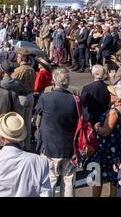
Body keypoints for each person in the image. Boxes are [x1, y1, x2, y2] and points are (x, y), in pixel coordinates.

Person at [35, 67, 78, 197]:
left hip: (49, 145)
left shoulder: (45, 97)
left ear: (54, 81)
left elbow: (39, 112)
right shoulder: (75, 100)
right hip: (69, 146)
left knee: (50, 180)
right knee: (69, 179)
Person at [89, 85, 121, 197]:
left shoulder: (114, 112)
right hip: (120, 146)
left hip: (106, 149)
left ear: (119, 98)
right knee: (115, 177)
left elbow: (105, 131)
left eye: (113, 94)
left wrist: (97, 126)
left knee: (97, 177)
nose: (110, 95)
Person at [12, 48, 35, 151]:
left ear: (20, 58)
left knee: (20, 123)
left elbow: (12, 83)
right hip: (30, 96)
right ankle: (28, 145)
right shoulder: (32, 69)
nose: (17, 59)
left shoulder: (18, 70)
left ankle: (21, 145)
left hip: (21, 97)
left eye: (17, 57)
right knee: (28, 122)